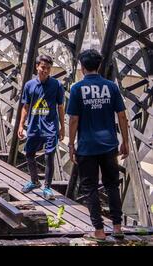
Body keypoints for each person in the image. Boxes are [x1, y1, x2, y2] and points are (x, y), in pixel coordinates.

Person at [67, 49, 128, 241]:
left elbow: (74, 120)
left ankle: (99, 231)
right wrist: (125, 141)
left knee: (90, 188)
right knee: (112, 186)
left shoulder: (77, 89)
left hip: (87, 146)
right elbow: (122, 116)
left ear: (82, 67)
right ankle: (117, 228)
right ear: (99, 66)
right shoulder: (111, 87)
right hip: (109, 145)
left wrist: (71, 144)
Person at [18, 55, 65, 200]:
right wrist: (21, 125)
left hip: (50, 127)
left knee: (49, 156)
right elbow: (25, 106)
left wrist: (62, 127)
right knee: (29, 154)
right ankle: (34, 181)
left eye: (48, 68)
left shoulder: (56, 85)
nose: (45, 71)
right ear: (37, 67)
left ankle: (48, 187)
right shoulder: (29, 85)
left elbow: (61, 106)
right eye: (43, 67)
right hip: (34, 126)